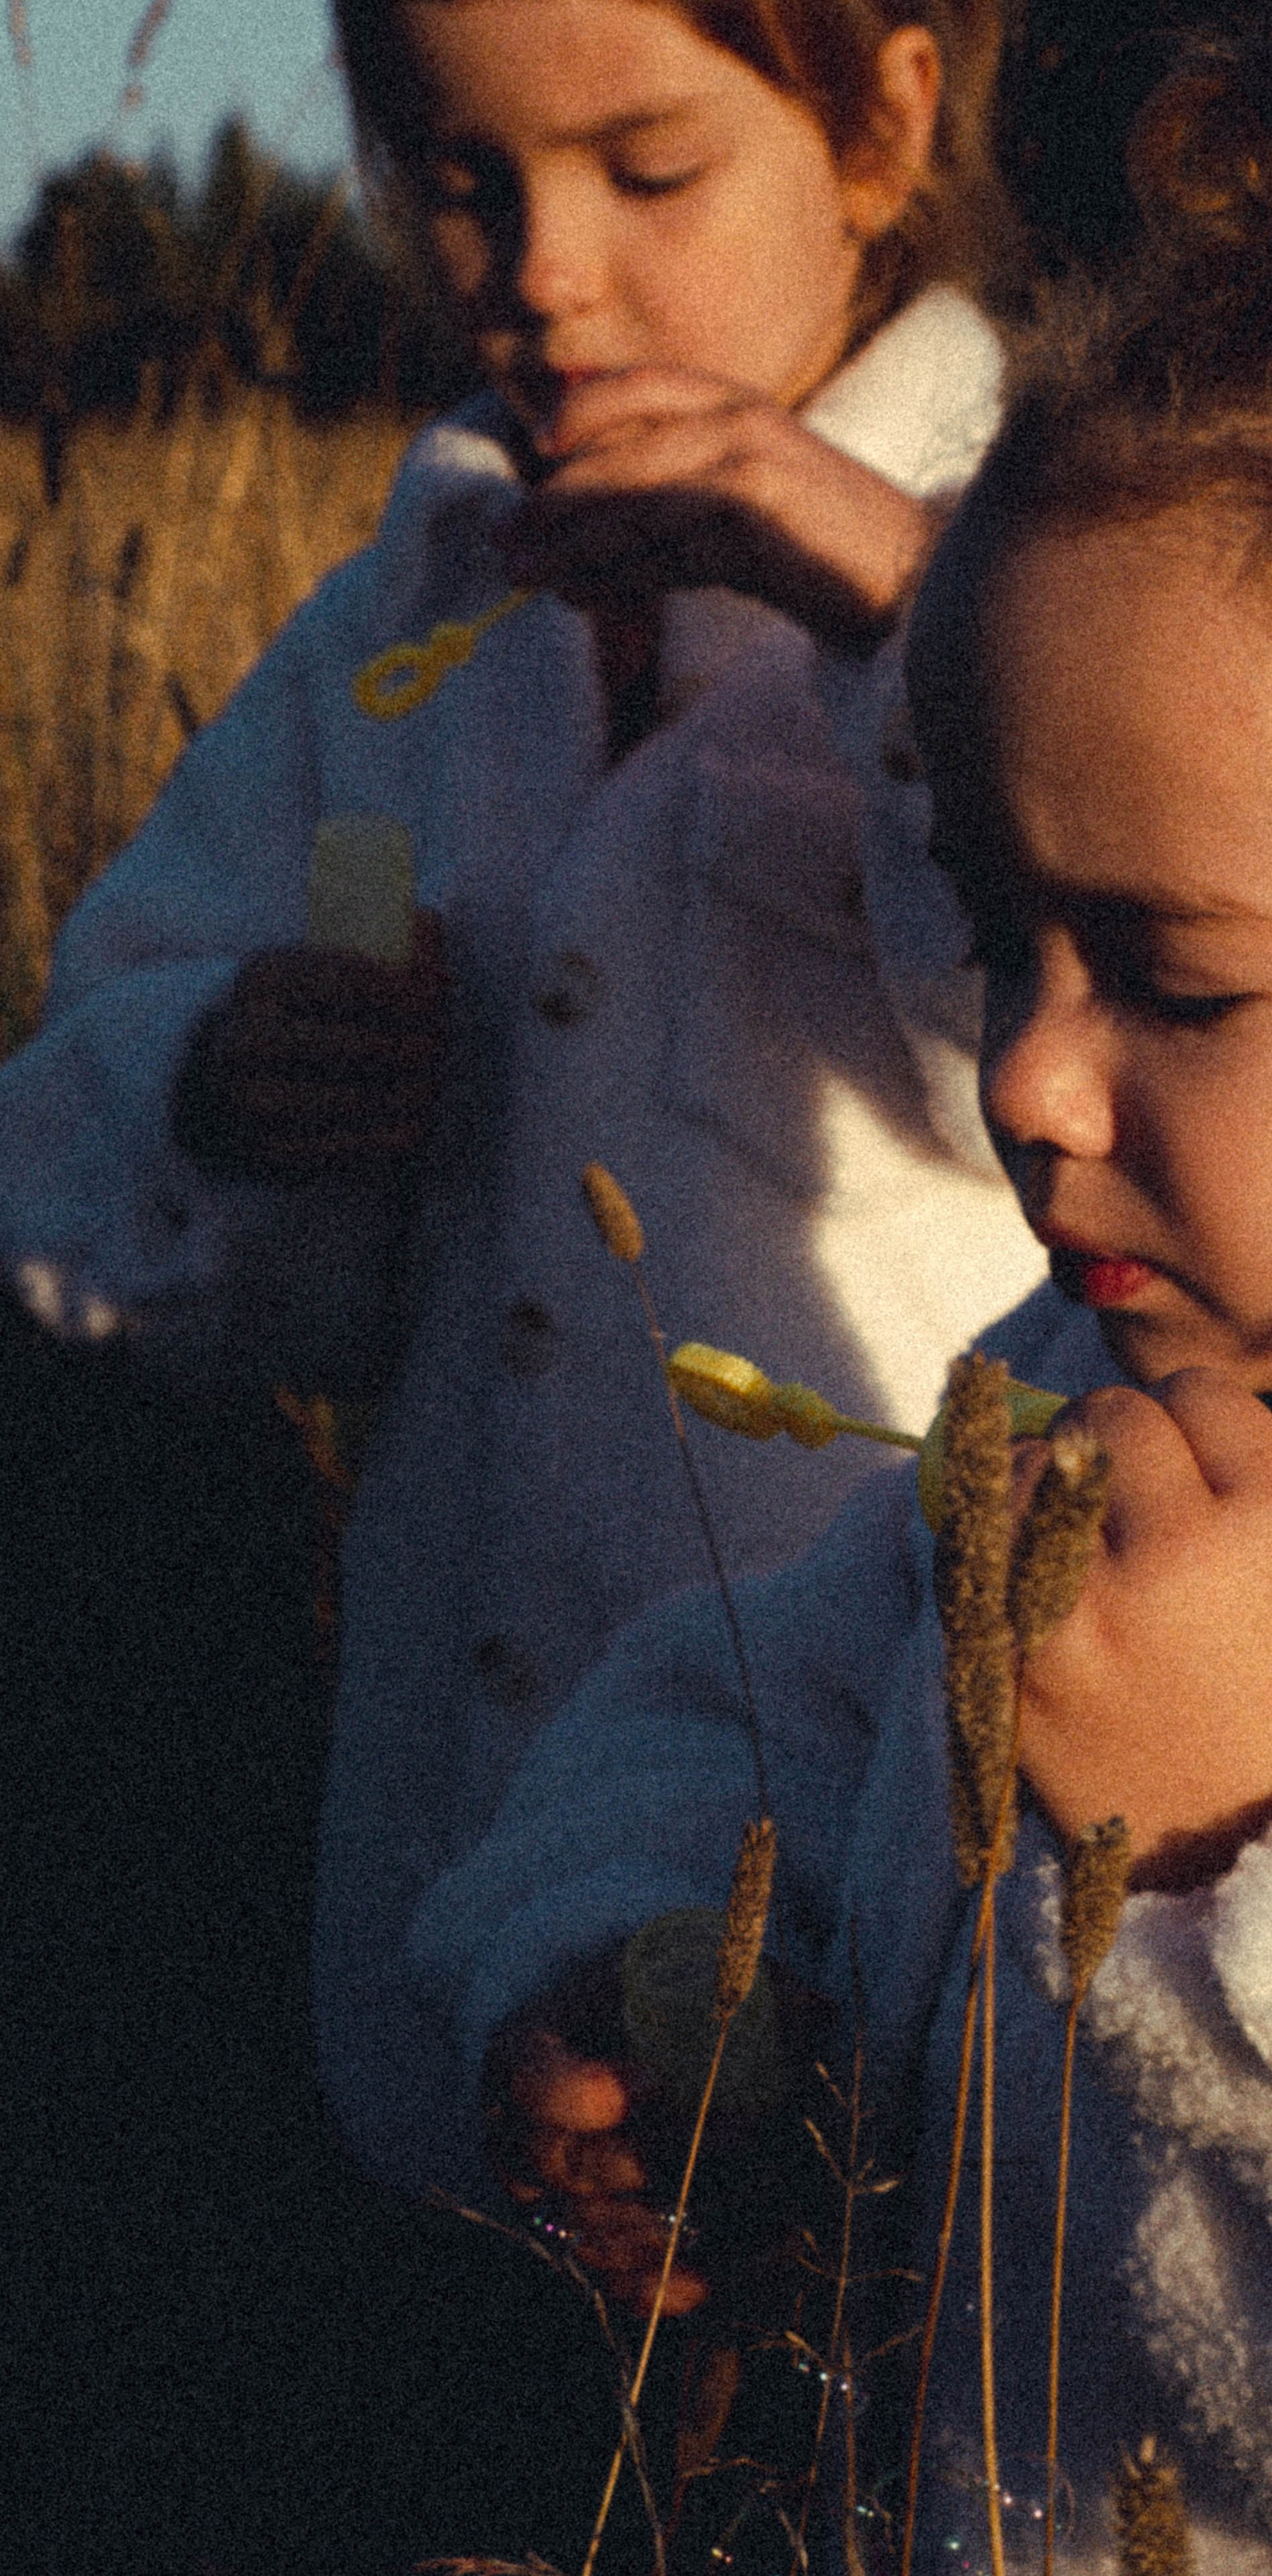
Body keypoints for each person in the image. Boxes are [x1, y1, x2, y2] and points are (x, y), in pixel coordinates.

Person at [411, 24, 1272, 2576]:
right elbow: (756, 1693)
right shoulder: (1082, 1379)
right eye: (1006, 929)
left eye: (1168, 975)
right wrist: (648, 1958)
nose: (1025, 1074)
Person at [0, 0, 1048, 2192]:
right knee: (483, 2347)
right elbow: (68, 1152)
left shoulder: (1062, 561)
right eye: (460, 182)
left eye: (649, 171)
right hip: (453, 1860)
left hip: (886, 1849)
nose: (546, 273)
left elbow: (1098, 1058)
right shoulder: (404, 619)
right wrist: (218, 1085)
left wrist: (914, 620)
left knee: (845, 2324)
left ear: (883, 122)